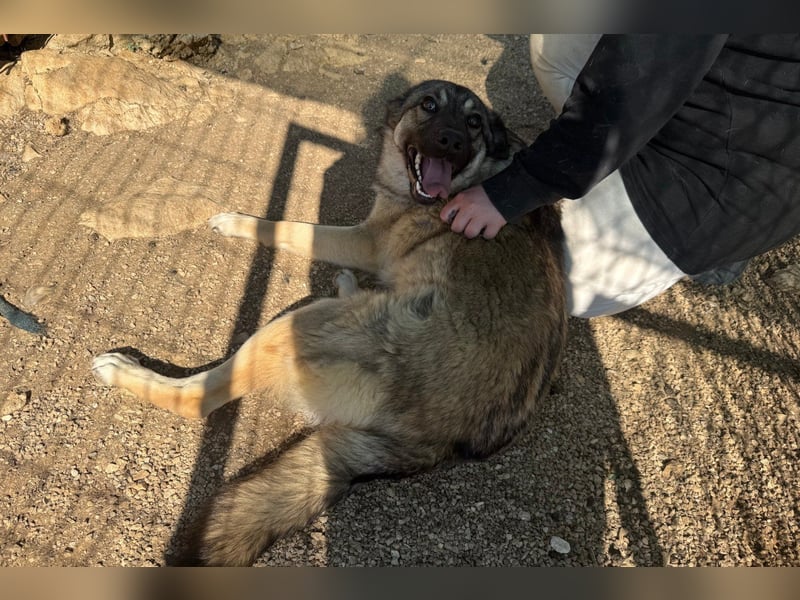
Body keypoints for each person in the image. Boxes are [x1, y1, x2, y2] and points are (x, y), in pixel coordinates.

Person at [441, 35, 800, 318]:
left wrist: (515, 189)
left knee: (537, 278)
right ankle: (604, 157)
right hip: (755, 129)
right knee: (559, 38)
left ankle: (711, 250)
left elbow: (630, 86)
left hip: (714, 188)